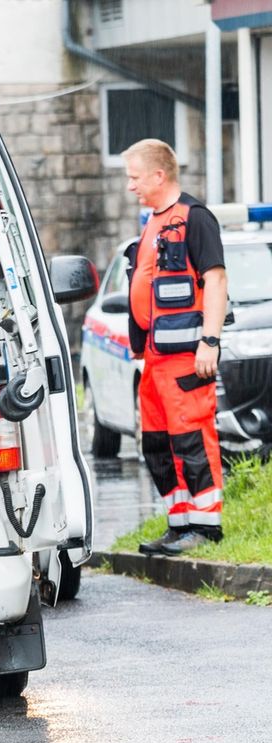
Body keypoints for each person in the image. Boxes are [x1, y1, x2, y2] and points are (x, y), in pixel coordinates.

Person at [124, 139, 228, 556]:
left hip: (186, 355)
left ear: (158, 175)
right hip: (155, 357)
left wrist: (210, 341)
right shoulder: (152, 220)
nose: (130, 185)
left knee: (191, 440)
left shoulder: (195, 218)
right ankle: (179, 522)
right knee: (158, 444)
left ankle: (205, 527)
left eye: (134, 177)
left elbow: (216, 281)